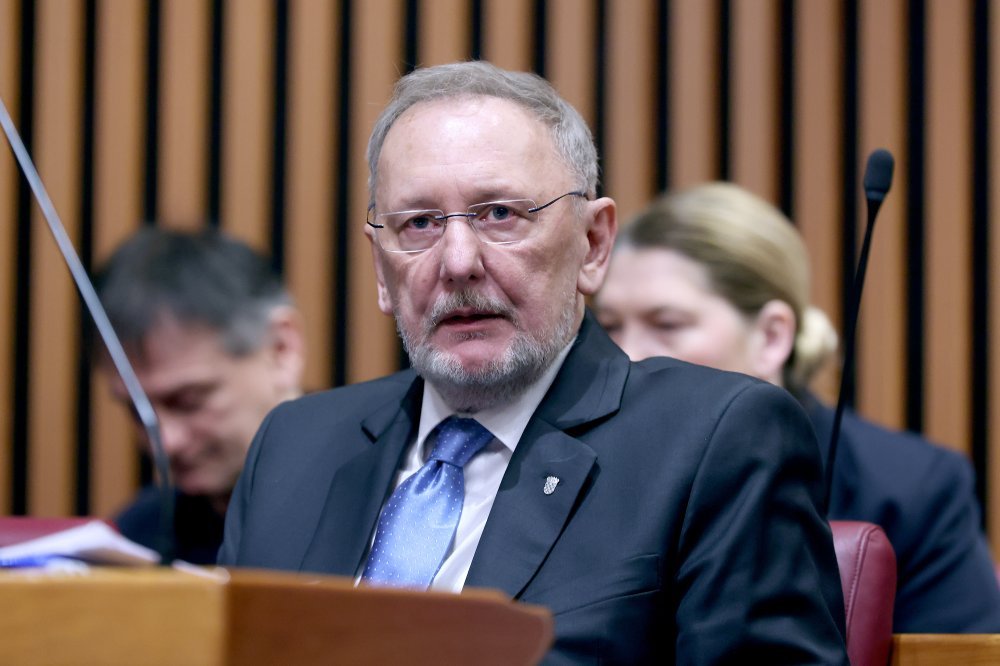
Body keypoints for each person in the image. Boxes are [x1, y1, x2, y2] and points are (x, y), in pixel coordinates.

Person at [219, 61, 848, 663]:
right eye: (420, 223)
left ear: (593, 244)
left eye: (500, 214)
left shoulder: (715, 441)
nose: (457, 262)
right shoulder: (293, 445)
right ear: (381, 267)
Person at [595, 181, 1000, 633]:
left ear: (771, 336)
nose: (625, 355)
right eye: (608, 325)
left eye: (667, 324)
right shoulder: (573, 464)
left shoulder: (911, 490)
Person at [94, 227, 306, 564]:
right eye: (137, 412)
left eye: (189, 401)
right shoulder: (135, 541)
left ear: (281, 349)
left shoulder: (384, 509)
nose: (166, 443)